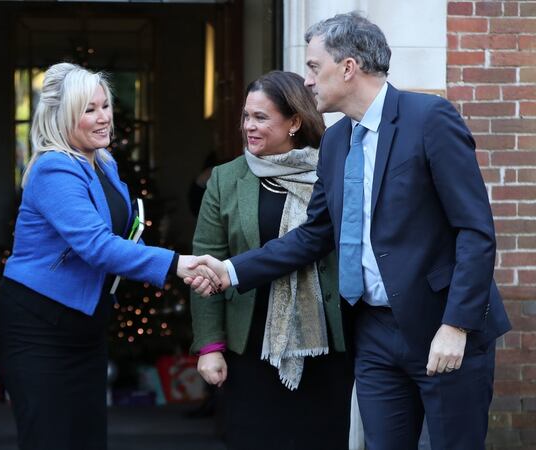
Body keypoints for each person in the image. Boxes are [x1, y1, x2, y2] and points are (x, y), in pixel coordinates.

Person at [189, 12, 511, 450]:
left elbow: (475, 230)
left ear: (347, 67)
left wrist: (457, 324)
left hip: (441, 326)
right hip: (374, 334)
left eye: (313, 67)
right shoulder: (337, 140)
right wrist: (230, 271)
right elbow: (314, 235)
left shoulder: (430, 119)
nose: (307, 80)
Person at [0, 62, 217, 450]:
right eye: (89, 109)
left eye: (105, 106)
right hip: (38, 327)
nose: (104, 118)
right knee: (49, 440)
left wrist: (182, 266)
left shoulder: (104, 163)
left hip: (85, 326)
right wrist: (176, 264)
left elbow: (123, 238)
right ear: (64, 117)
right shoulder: (54, 169)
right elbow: (97, 246)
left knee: (88, 438)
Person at [190, 71, 353, 449]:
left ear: (294, 121)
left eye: (261, 117)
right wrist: (210, 347)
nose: (248, 126)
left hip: (328, 348)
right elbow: (205, 265)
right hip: (250, 351)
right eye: (246, 116)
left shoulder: (334, 172)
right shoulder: (226, 180)